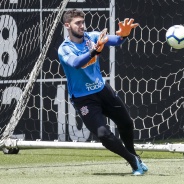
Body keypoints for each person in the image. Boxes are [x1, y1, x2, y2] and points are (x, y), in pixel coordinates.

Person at [58, 9, 148, 175]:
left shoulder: (92, 37)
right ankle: (133, 161)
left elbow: (114, 40)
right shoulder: (64, 48)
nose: (82, 26)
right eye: (77, 23)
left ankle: (135, 156)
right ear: (67, 25)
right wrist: (94, 51)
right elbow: (76, 63)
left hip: (102, 90)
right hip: (83, 99)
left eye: (82, 22)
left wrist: (123, 36)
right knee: (103, 134)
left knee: (126, 123)